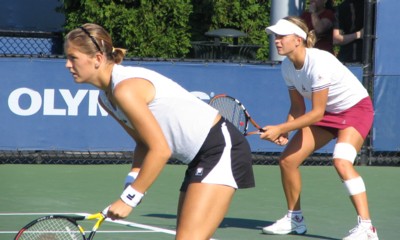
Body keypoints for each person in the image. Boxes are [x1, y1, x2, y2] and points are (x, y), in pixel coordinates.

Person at [64, 23, 255, 240]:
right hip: (200, 158)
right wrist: (133, 178)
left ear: (97, 59)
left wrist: (130, 198)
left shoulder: (125, 89)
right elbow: (143, 142)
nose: (67, 65)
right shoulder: (106, 99)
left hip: (221, 149)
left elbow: (161, 150)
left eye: (73, 57)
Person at [262, 16, 379, 240]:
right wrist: (284, 130)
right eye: (275, 36)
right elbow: (298, 107)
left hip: (355, 109)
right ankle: (294, 219)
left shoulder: (319, 62)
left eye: (281, 36)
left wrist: (280, 127)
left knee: (341, 161)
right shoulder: (287, 67)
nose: (276, 41)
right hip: (328, 113)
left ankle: (367, 228)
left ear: (298, 40)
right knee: (288, 161)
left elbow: (315, 113)